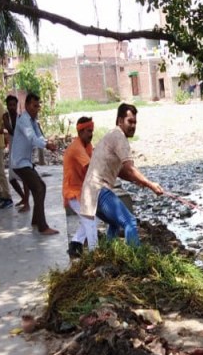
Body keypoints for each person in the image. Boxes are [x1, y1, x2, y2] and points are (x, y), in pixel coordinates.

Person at [80, 103, 163, 247]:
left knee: (114, 223)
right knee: (129, 221)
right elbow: (130, 169)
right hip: (99, 190)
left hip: (89, 194)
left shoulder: (111, 135)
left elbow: (120, 171)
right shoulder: (119, 137)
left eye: (135, 122)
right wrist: (151, 185)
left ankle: (109, 255)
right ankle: (137, 262)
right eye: (130, 121)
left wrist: (138, 181)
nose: (133, 126)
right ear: (119, 120)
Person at [10, 93, 59, 235]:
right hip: (19, 163)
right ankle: (42, 226)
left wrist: (47, 142)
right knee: (39, 188)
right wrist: (46, 144)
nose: (36, 109)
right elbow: (32, 139)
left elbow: (39, 136)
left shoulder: (32, 120)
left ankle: (36, 220)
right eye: (34, 105)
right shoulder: (24, 120)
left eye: (38, 106)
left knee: (40, 187)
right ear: (26, 105)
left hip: (25, 162)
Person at [63, 116, 98, 258]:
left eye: (92, 131)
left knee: (91, 219)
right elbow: (92, 167)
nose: (91, 134)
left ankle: (75, 245)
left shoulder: (87, 146)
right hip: (73, 192)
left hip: (82, 191)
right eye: (89, 131)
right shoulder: (77, 147)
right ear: (81, 131)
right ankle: (95, 254)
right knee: (91, 220)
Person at [3, 94, 30, 212]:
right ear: (7, 106)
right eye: (10, 105)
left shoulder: (20, 118)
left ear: (17, 105)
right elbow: (10, 130)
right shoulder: (6, 117)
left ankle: (27, 203)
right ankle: (24, 198)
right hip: (13, 151)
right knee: (12, 179)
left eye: (14, 105)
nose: (12, 107)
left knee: (24, 177)